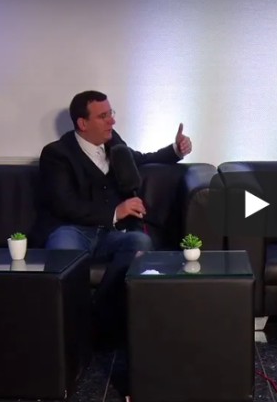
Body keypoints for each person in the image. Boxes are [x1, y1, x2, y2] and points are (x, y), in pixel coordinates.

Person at [35, 90, 192, 340]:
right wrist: (115, 212)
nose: (112, 121)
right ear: (83, 123)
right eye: (103, 116)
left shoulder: (114, 144)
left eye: (111, 113)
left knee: (140, 241)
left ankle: (98, 320)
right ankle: (64, 331)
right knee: (63, 247)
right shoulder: (57, 154)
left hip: (110, 234)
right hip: (72, 229)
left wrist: (176, 150)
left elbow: (140, 159)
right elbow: (63, 204)